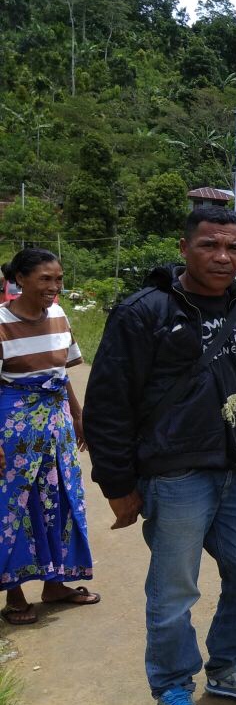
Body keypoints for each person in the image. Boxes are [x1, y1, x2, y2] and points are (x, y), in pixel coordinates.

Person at [85, 207, 236, 705]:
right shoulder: (142, 312)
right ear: (184, 248)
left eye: (234, 248)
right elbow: (109, 403)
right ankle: (173, 687)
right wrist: (117, 483)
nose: (223, 257)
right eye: (209, 245)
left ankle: (229, 667)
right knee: (175, 588)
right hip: (173, 475)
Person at [0, 249, 99, 626]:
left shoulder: (58, 315)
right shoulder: (1, 322)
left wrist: (77, 413)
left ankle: (55, 583)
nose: (54, 287)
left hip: (56, 421)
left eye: (58, 279)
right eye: (45, 279)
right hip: (14, 428)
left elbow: (61, 372)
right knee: (17, 506)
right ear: (20, 279)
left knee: (58, 498)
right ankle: (14, 591)